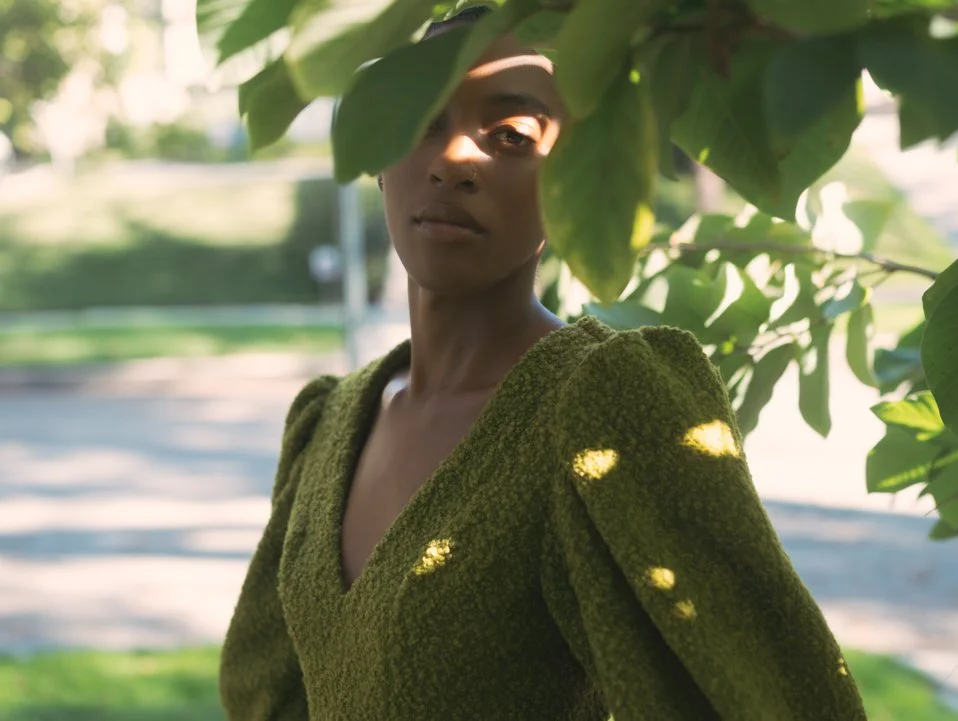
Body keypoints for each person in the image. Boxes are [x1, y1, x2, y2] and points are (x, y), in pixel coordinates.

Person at [219, 6, 867, 720]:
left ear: (576, 178)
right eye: (422, 118)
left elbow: (775, 696)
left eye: (510, 136)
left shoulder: (603, 405)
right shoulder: (330, 423)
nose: (451, 159)